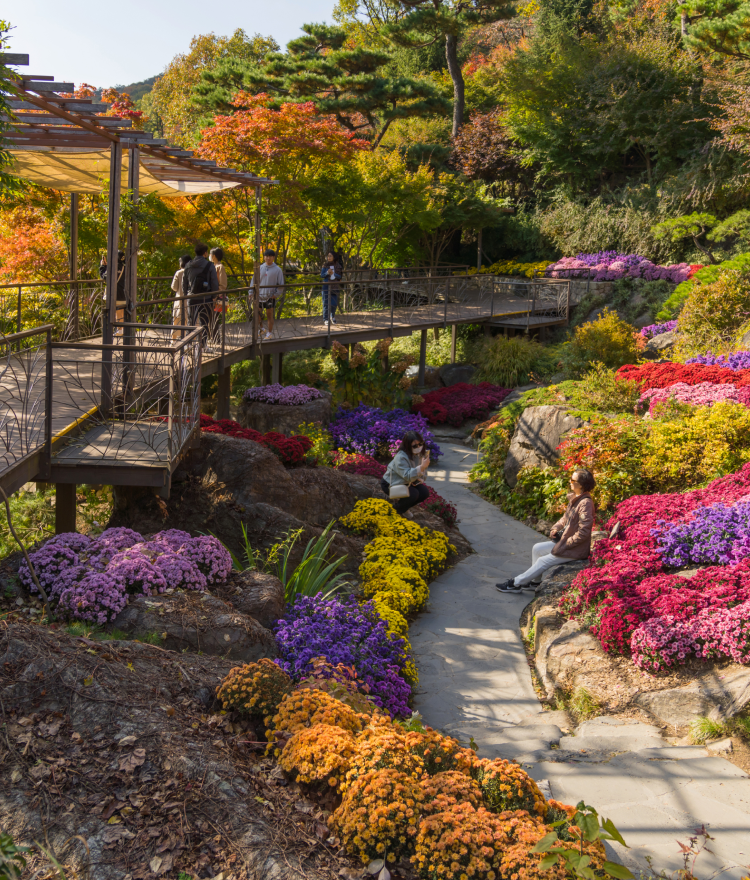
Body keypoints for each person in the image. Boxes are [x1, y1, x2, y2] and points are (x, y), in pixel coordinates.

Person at [496, 469, 596, 593]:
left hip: (575, 549)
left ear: (580, 485)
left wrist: (567, 543)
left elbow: (584, 532)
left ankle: (515, 584)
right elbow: (565, 518)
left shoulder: (585, 503)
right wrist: (556, 528)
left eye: (572, 480)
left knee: (543, 561)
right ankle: (535, 582)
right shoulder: (576, 498)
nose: (569, 482)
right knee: (537, 548)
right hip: (566, 544)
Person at [381, 431, 431, 517]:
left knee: (424, 492)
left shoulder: (419, 454)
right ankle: (394, 512)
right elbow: (407, 475)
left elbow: (421, 472)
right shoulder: (401, 457)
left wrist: (420, 478)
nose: (418, 447)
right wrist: (422, 467)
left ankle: (403, 508)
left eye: (420, 444)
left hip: (407, 481)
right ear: (407, 445)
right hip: (391, 483)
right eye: (415, 446)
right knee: (413, 494)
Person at [182, 243, 219, 343]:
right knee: (204, 322)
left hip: (191, 297)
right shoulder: (210, 265)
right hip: (205, 298)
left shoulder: (188, 265)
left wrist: (185, 295)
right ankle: (202, 345)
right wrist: (214, 296)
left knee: (191, 321)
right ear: (205, 253)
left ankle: (188, 344)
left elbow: (184, 282)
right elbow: (214, 282)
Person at [257, 249, 284, 340]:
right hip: (260, 295)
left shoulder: (278, 269)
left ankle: (269, 333)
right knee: (257, 313)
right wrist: (251, 292)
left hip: (270, 296)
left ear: (273, 257)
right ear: (264, 257)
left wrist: (276, 294)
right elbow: (254, 280)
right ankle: (261, 329)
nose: (268, 258)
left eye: (270, 256)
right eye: (266, 256)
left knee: (269, 314)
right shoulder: (260, 268)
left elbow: (281, 284)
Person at [99, 250, 127, 328]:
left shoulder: (113, 267)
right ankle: (121, 330)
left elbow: (105, 276)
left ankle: (116, 330)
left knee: (113, 314)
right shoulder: (125, 267)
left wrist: (102, 266)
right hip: (123, 294)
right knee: (120, 314)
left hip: (114, 294)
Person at [320, 250, 342, 325]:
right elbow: (322, 275)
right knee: (326, 303)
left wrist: (333, 274)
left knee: (334, 303)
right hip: (326, 286)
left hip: (334, 286)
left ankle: (332, 316)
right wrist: (327, 272)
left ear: (334, 257)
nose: (328, 257)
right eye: (328, 256)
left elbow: (340, 277)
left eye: (330, 256)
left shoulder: (338, 266)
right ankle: (325, 319)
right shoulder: (325, 265)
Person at [171, 254, 191, 332]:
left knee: (177, 323)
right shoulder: (192, 272)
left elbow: (174, 287)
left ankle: (174, 339)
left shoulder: (178, 273)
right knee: (191, 322)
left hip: (180, 300)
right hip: (190, 301)